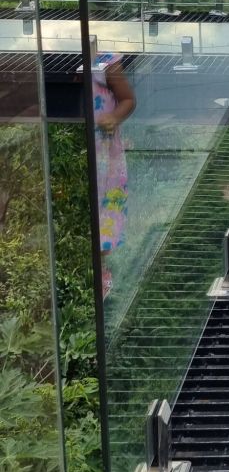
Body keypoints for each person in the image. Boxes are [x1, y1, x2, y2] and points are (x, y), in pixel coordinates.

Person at [92, 51, 136, 298]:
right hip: (71, 146)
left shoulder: (104, 58)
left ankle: (100, 270)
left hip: (104, 155)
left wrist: (113, 117)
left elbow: (128, 99)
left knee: (103, 208)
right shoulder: (51, 51)